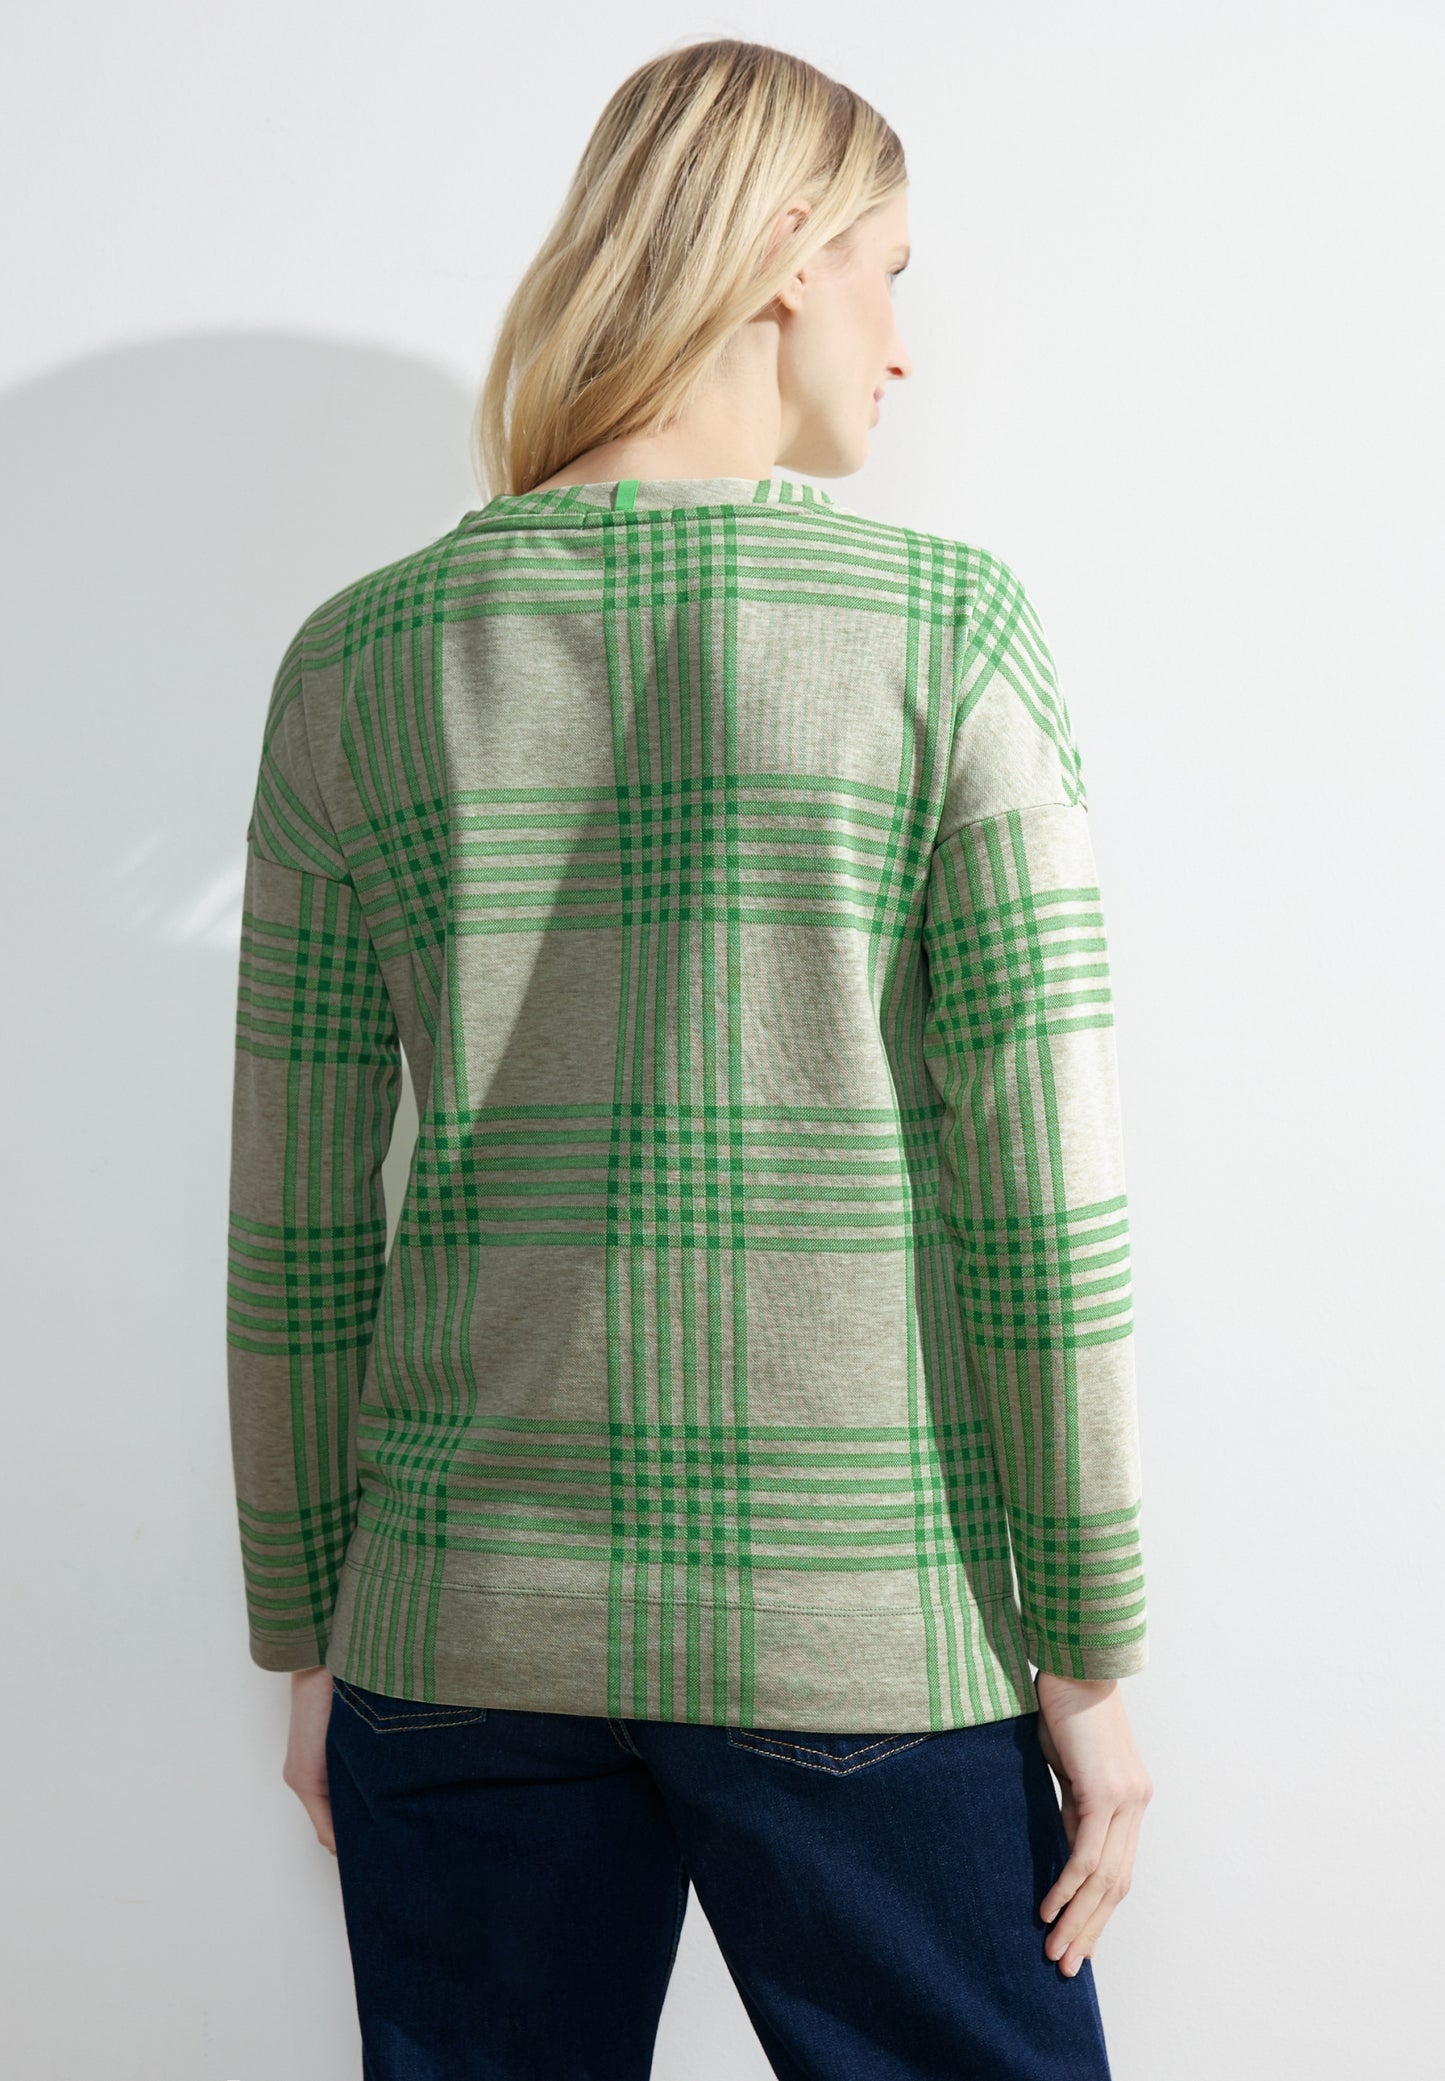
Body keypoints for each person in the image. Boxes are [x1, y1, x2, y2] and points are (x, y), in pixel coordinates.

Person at [227, 34, 1154, 2080]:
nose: (900, 345)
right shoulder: (947, 633)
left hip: (452, 1623)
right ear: (788, 250)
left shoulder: (355, 661)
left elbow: (293, 1221)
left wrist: (311, 1636)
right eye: (891, 272)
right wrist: (1087, 1657)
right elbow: (1044, 1196)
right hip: (855, 1617)